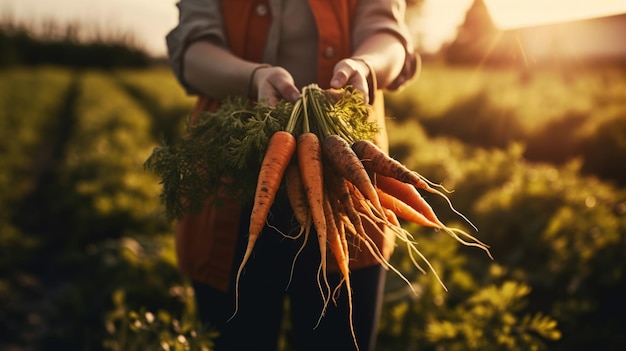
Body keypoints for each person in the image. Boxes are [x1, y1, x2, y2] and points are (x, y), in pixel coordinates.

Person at [165, 1, 419, 350]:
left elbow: (388, 34)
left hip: (345, 185)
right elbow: (193, 50)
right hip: (232, 186)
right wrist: (254, 78)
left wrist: (365, 67)